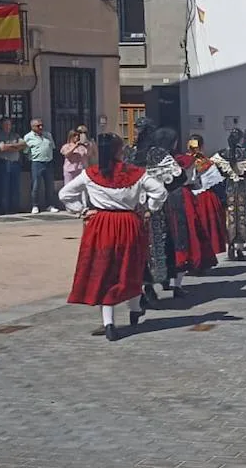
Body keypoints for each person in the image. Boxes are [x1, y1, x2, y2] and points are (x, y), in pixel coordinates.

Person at [60, 133, 167, 342]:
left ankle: (109, 322)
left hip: (101, 225)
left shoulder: (91, 173)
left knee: (104, 270)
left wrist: (81, 210)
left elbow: (65, 194)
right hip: (129, 223)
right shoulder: (136, 173)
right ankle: (135, 309)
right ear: (119, 150)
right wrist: (149, 209)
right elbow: (160, 192)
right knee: (130, 267)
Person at [129, 121, 186, 301]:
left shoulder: (130, 154)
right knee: (163, 242)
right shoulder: (159, 154)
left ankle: (145, 286)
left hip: (135, 208)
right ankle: (160, 282)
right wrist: (163, 189)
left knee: (140, 246)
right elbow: (180, 176)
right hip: (158, 207)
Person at [211, 129, 246, 261]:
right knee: (242, 216)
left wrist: (223, 174)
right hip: (242, 187)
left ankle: (230, 244)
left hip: (227, 187)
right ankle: (239, 247)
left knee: (229, 216)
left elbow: (211, 167)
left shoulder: (221, 153)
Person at [185, 135, 227, 257]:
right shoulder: (207, 162)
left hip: (188, 194)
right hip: (205, 197)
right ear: (202, 146)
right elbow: (214, 181)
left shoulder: (182, 160)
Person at [24, 118, 58, 213]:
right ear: (32, 127)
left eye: (42, 125)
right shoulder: (28, 137)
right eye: (38, 126)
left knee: (49, 185)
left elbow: (52, 147)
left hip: (48, 162)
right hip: (36, 163)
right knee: (36, 185)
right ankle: (35, 205)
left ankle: (50, 205)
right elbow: (25, 151)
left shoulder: (48, 135)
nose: (41, 127)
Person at [0, 118, 25, 214]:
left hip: (15, 163)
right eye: (6, 124)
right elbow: (2, 148)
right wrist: (15, 146)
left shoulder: (15, 135)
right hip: (4, 163)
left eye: (9, 124)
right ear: (1, 125)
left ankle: (15, 208)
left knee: (15, 187)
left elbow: (23, 145)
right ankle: (4, 209)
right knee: (4, 187)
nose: (8, 127)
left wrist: (9, 146)